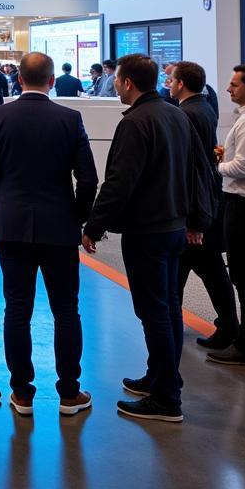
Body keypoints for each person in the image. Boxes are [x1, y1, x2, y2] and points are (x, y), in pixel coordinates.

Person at [83, 53, 211, 422]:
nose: (117, 86)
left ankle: (166, 398)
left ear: (127, 82)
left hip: (147, 232)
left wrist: (94, 225)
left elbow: (121, 182)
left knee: (154, 312)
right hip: (174, 228)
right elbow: (198, 171)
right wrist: (197, 219)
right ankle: (161, 376)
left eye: (118, 81)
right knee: (168, 307)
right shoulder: (176, 115)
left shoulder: (137, 122)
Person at [0, 52, 97, 416]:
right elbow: (87, 178)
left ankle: (23, 393)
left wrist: (4, 198)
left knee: (17, 309)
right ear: (52, 80)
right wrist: (77, 215)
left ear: (18, 79)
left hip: (11, 226)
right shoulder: (70, 119)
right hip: (59, 229)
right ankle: (69, 394)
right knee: (66, 311)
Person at [169, 61, 238, 349]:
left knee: (205, 267)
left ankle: (227, 326)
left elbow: (194, 168)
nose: (168, 83)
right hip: (203, 205)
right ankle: (223, 325)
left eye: (171, 79)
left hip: (198, 208)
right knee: (195, 267)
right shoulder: (203, 107)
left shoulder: (188, 114)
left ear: (181, 83)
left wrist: (194, 218)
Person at [211, 63, 245, 365]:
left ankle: (243, 345)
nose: (229, 89)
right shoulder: (241, 118)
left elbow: (243, 168)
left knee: (242, 275)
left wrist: (217, 166)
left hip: (241, 205)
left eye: (235, 84)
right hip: (236, 202)